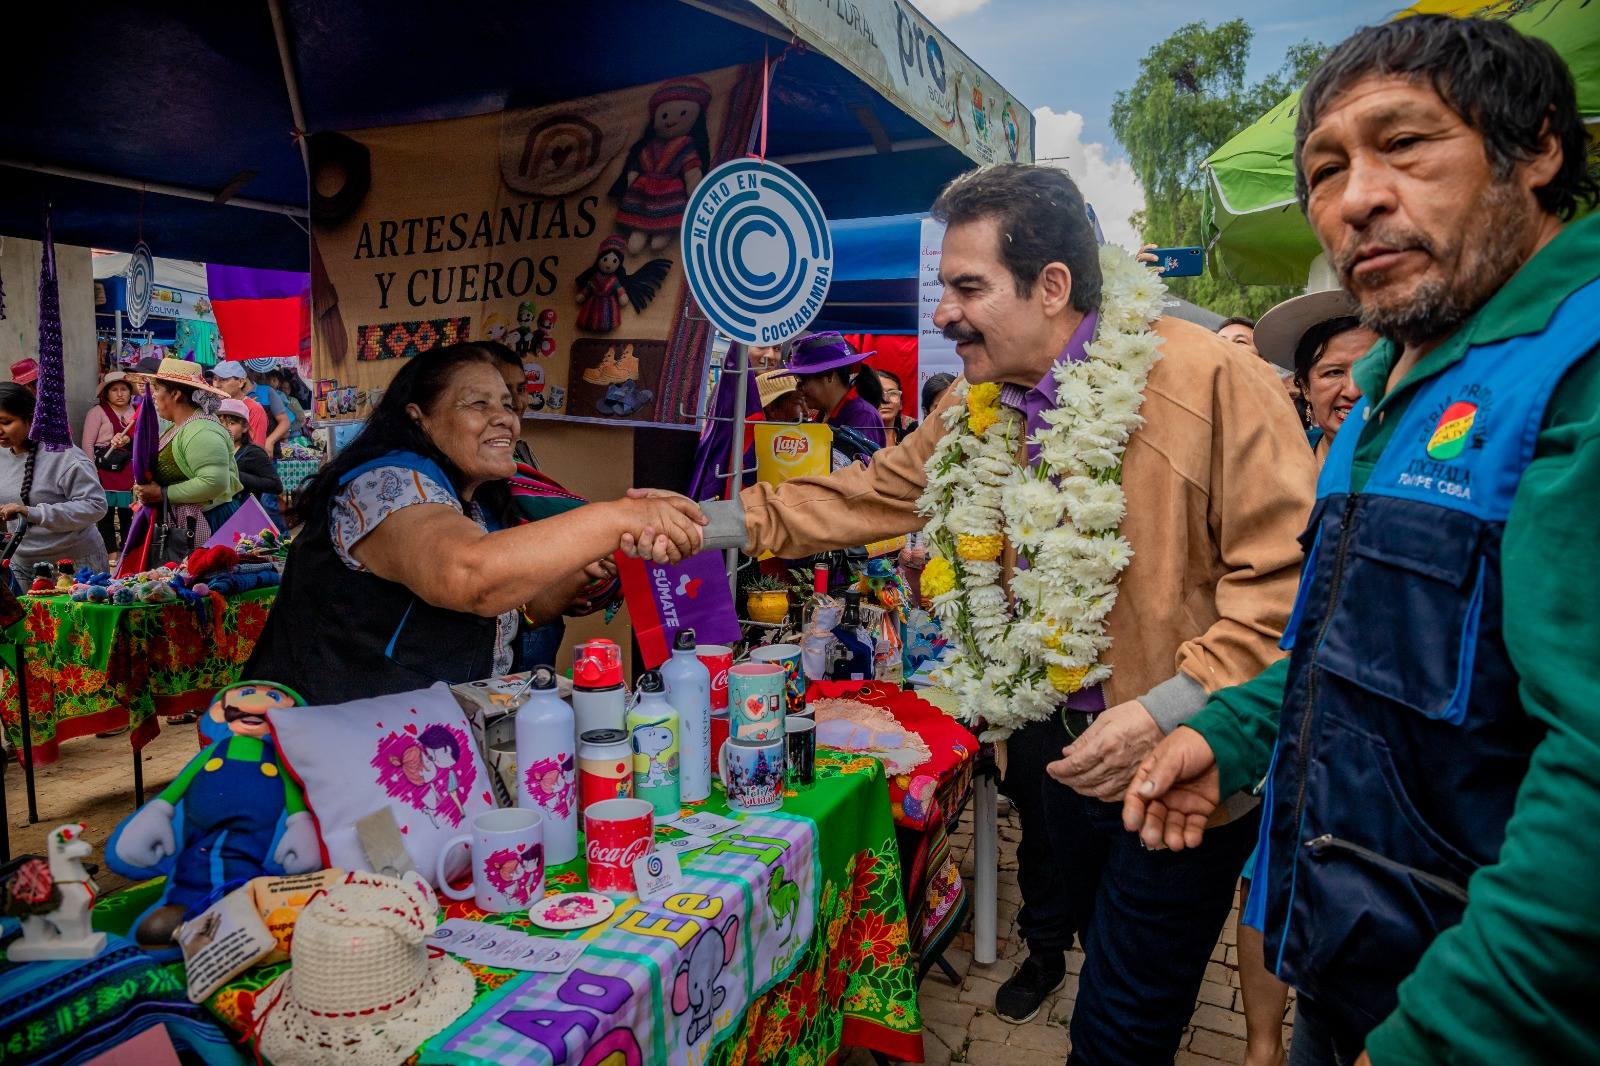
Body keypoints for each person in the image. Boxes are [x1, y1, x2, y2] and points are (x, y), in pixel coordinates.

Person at [682, 164, 1313, 1058]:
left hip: (1183, 764)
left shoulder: (1206, 376)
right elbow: (868, 493)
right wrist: (698, 524)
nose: (943, 312)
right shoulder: (975, 404)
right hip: (1057, 749)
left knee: (1118, 1032)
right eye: (944, 287)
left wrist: (1166, 711)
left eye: (967, 287)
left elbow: (1289, 587)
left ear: (1051, 286)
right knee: (1104, 957)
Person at [1124, 17, 1600, 1066]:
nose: (1355, 199)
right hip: (1347, 973)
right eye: (1325, 170)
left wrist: (1449, 1030)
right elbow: (1345, 652)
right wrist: (1231, 734)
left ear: (1537, 145)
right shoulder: (1386, 389)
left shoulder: (1579, 366)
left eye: (1405, 143)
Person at [244, 342, 703, 705]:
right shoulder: (385, 485)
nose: (505, 417)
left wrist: (581, 568)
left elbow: (515, 609)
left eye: (506, 403)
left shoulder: (472, 503)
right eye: (478, 404)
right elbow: (469, 575)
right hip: (327, 750)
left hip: (413, 748)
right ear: (420, 419)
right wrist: (619, 515)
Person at [0, 382, 108, 586]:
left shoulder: (65, 456)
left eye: (6, 422)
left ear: (30, 419)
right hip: (20, 564)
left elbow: (96, 506)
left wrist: (32, 513)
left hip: (74, 567)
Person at [1255, 290, 1377, 467]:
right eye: (1334, 372)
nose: (1353, 391)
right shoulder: (1280, 462)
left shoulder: (1415, 465)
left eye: (1370, 370)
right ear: (1305, 387)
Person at [135, 358, 242, 547]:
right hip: (187, 523)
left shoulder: (202, 430)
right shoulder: (182, 426)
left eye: (157, 389)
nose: (154, 395)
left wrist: (162, 493)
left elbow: (213, 482)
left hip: (208, 523)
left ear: (175, 394)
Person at [788, 332, 888, 450]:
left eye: (803, 380)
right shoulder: (822, 414)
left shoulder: (863, 415)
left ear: (829, 375)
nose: (798, 387)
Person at [82, 371, 137, 556]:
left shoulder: (137, 412)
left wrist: (129, 440)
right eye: (114, 390)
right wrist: (91, 472)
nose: (120, 394)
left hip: (128, 470)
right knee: (105, 513)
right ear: (106, 393)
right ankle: (111, 553)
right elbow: (87, 444)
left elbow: (146, 439)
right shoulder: (97, 412)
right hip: (104, 469)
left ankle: (127, 552)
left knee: (127, 513)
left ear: (130, 392)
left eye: (124, 389)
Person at [216, 398, 282, 502]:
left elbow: (276, 485)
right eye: (220, 422)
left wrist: (236, 475)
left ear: (245, 427)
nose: (224, 428)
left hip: (241, 509)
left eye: (231, 423)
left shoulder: (253, 453)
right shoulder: (214, 450)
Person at [210, 362, 274, 449]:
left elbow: (256, 450)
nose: (217, 385)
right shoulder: (212, 406)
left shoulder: (254, 409)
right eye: (215, 379)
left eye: (224, 379)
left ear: (240, 382)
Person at [875, 367, 918, 444]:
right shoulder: (856, 441)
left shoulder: (912, 441)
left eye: (893, 393)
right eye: (878, 393)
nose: (886, 400)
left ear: (900, 404)